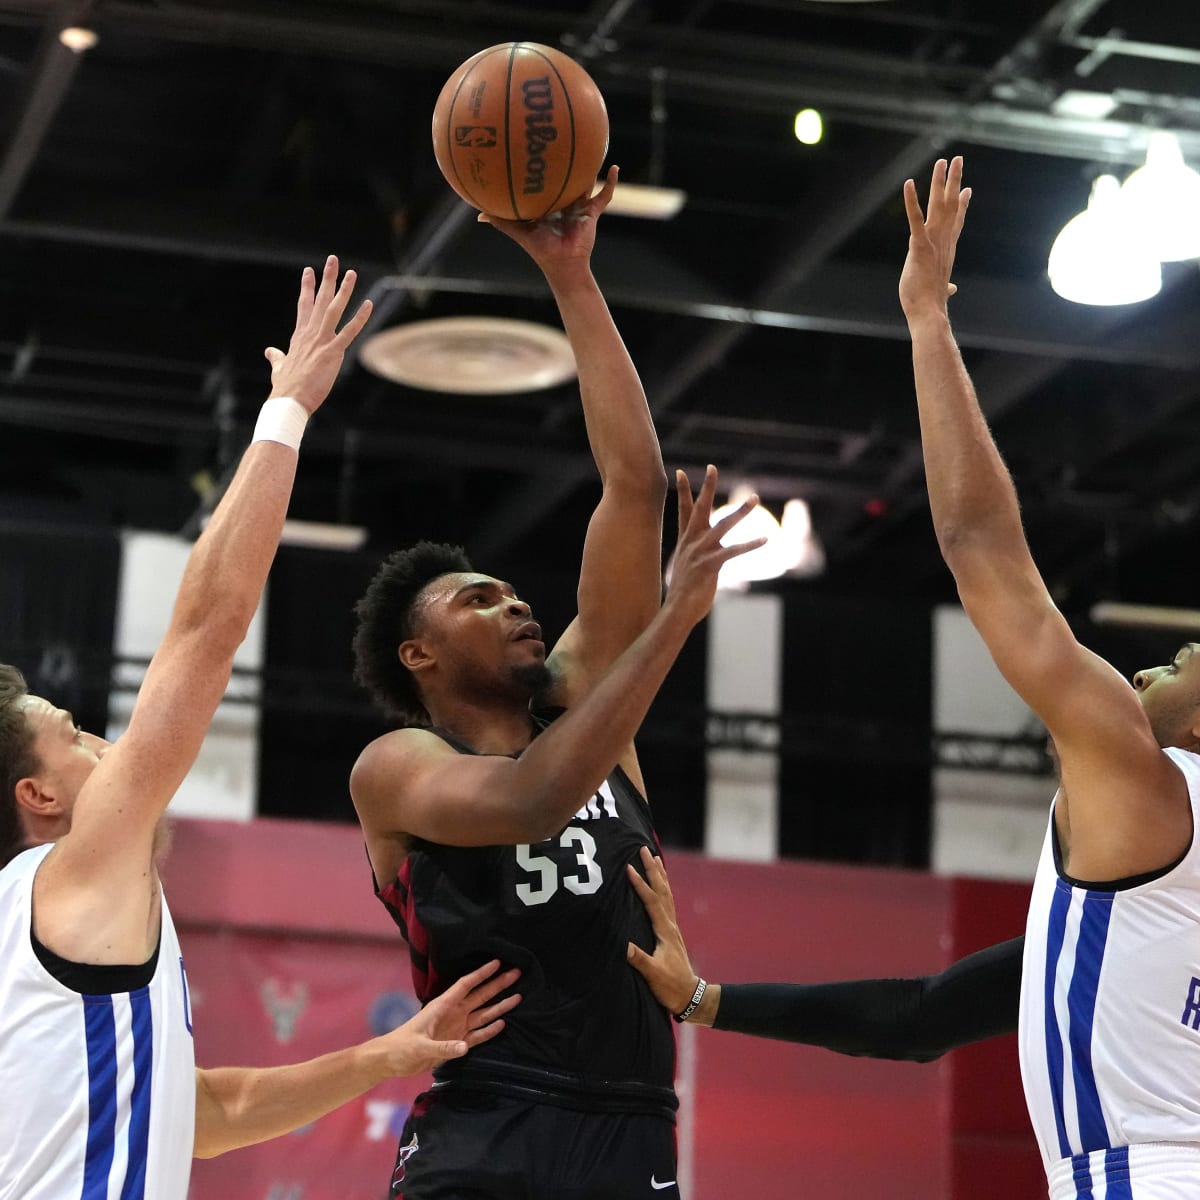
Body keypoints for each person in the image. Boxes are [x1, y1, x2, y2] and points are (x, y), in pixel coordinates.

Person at [0, 258, 521, 1200]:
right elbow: (204, 631)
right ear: (37, 798)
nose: (107, 747)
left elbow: (215, 1115)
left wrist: (392, 1053)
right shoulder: (66, 873)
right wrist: (287, 410)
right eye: (76, 736)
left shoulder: (42, 943)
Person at [350, 170, 763, 1200]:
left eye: (514, 592)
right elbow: (536, 798)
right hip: (493, 1122)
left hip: (633, 1127)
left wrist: (571, 275)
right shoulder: (401, 767)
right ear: (419, 657)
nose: (518, 603)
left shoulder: (587, 709)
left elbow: (632, 484)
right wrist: (670, 622)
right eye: (478, 601)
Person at [901, 156, 1200, 1199]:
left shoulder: (1143, 776)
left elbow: (980, 542)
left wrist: (930, 323)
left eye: (1183, 661)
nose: (1158, 662)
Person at [625, 845, 1020, 1060]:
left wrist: (702, 1001)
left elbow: (914, 1019)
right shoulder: (1062, 947)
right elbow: (914, 1018)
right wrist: (701, 1000)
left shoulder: (1077, 944)